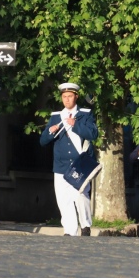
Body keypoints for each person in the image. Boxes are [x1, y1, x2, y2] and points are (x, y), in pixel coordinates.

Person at [40, 83, 98, 237]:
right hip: (60, 165)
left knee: (81, 195)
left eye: (70, 96)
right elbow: (43, 141)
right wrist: (50, 132)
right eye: (64, 97)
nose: (67, 99)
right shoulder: (55, 117)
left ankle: (85, 225)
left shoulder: (85, 115)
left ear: (76, 97)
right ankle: (69, 230)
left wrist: (76, 125)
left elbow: (93, 134)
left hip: (80, 163)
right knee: (63, 200)